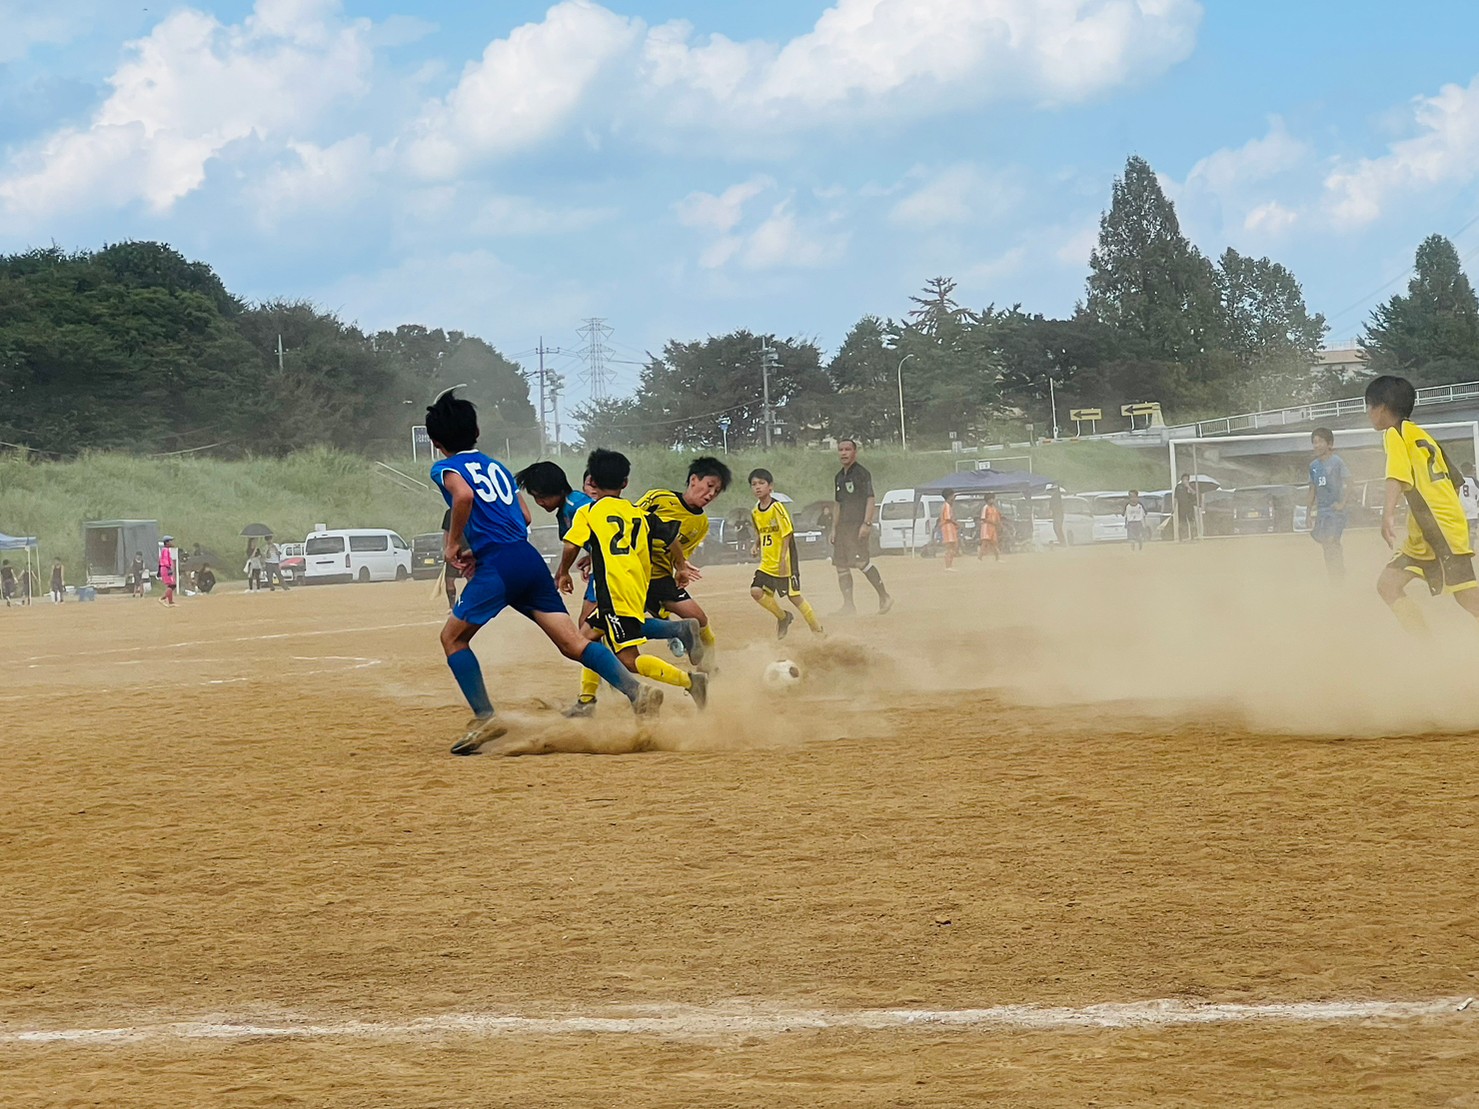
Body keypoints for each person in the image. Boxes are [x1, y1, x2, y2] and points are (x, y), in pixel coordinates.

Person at [427, 390, 657, 755]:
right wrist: (482, 546)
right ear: (476, 433)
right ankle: (636, 692)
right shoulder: (498, 468)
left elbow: (465, 498)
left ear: (436, 441)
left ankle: (486, 716)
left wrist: (454, 545)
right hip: (527, 560)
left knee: (453, 639)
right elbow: (526, 517)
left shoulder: (445, 468)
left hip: (499, 566)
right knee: (574, 644)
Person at [556, 449, 708, 710]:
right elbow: (670, 537)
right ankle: (586, 700)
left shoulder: (589, 512)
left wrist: (562, 573)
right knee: (586, 638)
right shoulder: (637, 512)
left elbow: (571, 546)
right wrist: (681, 566)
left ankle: (690, 682)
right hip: (636, 589)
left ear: (591, 481)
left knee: (629, 659)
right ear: (625, 483)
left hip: (613, 593)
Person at [1366, 375, 1479, 634]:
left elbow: (1397, 474)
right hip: (1428, 532)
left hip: (1440, 529)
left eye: (1369, 406)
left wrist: (1388, 516)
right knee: (1388, 584)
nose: (1368, 413)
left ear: (1381, 408)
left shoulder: (1393, 434)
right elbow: (1454, 480)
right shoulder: (1422, 435)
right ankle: (1426, 650)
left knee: (1467, 596)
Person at [636, 456, 732, 668]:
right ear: (693, 480)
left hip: (661, 579)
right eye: (709, 486)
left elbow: (681, 554)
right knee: (613, 628)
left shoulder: (702, 523)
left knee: (701, 621)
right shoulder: (658, 498)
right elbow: (629, 524)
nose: (710, 495)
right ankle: (598, 685)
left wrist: (683, 566)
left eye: (716, 492)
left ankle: (709, 671)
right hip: (633, 575)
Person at [747, 468, 825, 639]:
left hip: (785, 561)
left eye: (761, 483)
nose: (757, 487)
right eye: (754, 484)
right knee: (756, 592)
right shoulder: (754, 512)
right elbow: (760, 533)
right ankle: (783, 617)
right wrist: (756, 545)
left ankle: (818, 630)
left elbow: (787, 533)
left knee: (794, 597)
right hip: (767, 562)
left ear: (770, 487)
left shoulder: (777, 507)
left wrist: (783, 559)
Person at [831, 439, 892, 615]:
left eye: (847, 449)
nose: (843, 453)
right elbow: (838, 503)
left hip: (857, 526)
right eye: (841, 450)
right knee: (841, 565)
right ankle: (848, 606)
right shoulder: (839, 477)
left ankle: (884, 597)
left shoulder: (861, 473)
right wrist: (834, 528)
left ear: (855, 452)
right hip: (842, 528)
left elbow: (870, 498)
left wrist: (866, 523)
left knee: (860, 562)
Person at [1307, 427, 1350, 582]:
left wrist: (1342, 503)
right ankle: (1334, 573)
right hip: (1322, 511)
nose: (1317, 445)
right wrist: (1308, 512)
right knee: (1326, 544)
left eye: (1320, 442)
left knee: (1332, 540)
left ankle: (1338, 574)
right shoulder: (1313, 466)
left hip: (1336, 511)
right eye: (1314, 442)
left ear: (1329, 444)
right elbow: (1312, 489)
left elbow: (1350, 482)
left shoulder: (1337, 462)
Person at [438, 508, 462, 611]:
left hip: (469, 548)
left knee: (472, 578)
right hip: (454, 550)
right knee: (449, 579)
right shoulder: (449, 513)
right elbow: (446, 532)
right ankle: (452, 606)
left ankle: (472, 602)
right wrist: (446, 549)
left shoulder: (474, 510)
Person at [938, 491, 960, 570]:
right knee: (950, 547)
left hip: (949, 527)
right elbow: (948, 518)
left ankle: (949, 565)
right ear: (949, 496)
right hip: (948, 527)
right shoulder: (946, 506)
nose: (954, 498)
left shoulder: (947, 506)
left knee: (953, 547)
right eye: (953, 496)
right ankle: (948, 566)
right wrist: (956, 523)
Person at [1174, 473, 1198, 541]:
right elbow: (1175, 498)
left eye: (1187, 479)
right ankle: (1181, 536)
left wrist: (1188, 487)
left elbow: (1194, 493)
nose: (1185, 480)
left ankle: (1193, 536)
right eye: (1184, 479)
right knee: (1181, 522)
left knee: (1191, 521)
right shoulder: (1178, 487)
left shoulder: (1190, 486)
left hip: (1189, 507)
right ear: (1182, 479)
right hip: (1181, 507)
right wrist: (1174, 507)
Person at [978, 493, 1002, 562]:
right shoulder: (985, 508)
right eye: (990, 499)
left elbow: (997, 518)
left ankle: (997, 558)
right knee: (984, 542)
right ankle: (979, 557)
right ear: (987, 500)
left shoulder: (994, 508)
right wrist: (992, 522)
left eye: (993, 499)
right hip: (986, 527)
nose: (992, 500)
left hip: (993, 528)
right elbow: (983, 518)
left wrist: (999, 525)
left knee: (994, 543)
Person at [1460, 464, 1479, 548]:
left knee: (1464, 531)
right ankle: (1471, 548)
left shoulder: (1458, 481)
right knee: (1472, 531)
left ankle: (1465, 547)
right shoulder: (1474, 481)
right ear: (1471, 470)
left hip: (1461, 510)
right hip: (1472, 510)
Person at [158, 536, 178, 607]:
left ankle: (171, 601)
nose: (172, 543)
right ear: (167, 542)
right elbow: (165, 561)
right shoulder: (165, 550)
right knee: (172, 585)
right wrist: (169, 569)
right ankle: (162, 598)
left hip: (165, 568)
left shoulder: (165, 550)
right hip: (166, 568)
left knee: (170, 585)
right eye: (170, 541)